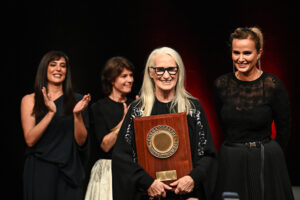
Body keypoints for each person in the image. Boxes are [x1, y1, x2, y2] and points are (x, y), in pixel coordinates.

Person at [112, 47, 217, 200]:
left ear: (179, 72)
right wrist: (148, 183)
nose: (166, 75)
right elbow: (122, 157)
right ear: (151, 72)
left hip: (187, 195)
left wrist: (192, 178)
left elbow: (208, 154)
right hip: (149, 195)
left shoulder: (192, 108)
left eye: (171, 70)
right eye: (160, 70)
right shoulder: (138, 109)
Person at [213, 27, 294, 200]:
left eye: (247, 53)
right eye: (236, 52)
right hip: (231, 161)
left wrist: (272, 156)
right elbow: (221, 124)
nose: (240, 58)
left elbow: (284, 129)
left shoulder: (273, 85)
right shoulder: (221, 84)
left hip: (266, 160)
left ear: (259, 53)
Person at [20, 50, 91, 200]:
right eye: (53, 65)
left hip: (69, 171)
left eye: (63, 66)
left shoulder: (78, 100)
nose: (58, 69)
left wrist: (77, 115)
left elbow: (81, 141)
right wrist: (51, 113)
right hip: (40, 170)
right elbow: (30, 140)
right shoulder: (30, 100)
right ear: (44, 68)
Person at [84, 56, 135, 200]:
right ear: (112, 80)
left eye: (131, 75)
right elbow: (106, 145)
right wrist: (125, 120)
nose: (130, 80)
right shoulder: (99, 107)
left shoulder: (136, 104)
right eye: (124, 76)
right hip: (108, 172)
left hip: (131, 170)